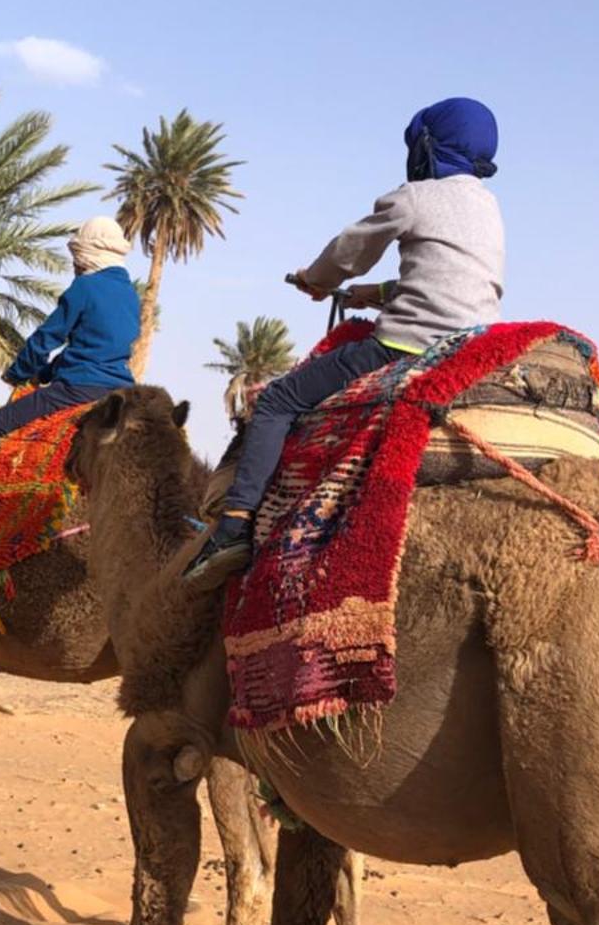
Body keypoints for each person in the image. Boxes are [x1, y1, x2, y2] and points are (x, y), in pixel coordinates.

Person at [182, 97, 505, 590]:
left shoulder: (415, 197)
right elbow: (447, 282)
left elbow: (349, 251)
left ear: (428, 145)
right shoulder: (488, 207)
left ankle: (234, 527)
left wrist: (316, 280)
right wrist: (373, 295)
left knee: (277, 401)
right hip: (466, 348)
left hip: (406, 346)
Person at [0, 216, 140, 547]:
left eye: (77, 256)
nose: (74, 264)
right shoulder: (130, 296)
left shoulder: (85, 287)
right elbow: (95, 346)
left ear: (87, 253)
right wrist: (46, 373)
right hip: (119, 390)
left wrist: (19, 372)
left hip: (76, 389)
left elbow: (46, 339)